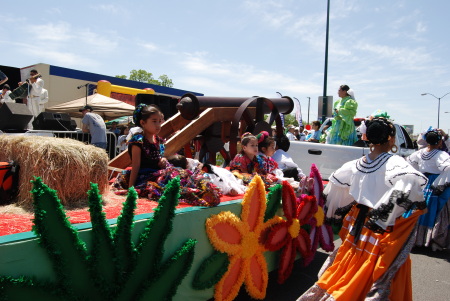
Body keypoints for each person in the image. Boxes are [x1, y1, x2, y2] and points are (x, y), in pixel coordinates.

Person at [298, 117, 428, 301]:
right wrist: (386, 215)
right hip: (381, 230)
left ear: (368, 138)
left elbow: (336, 195)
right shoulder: (396, 164)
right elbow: (410, 187)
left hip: (358, 224)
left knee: (351, 264)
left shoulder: (355, 165)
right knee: (373, 269)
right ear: (391, 139)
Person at [406, 129, 450, 250]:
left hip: (422, 183)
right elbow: (448, 167)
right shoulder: (441, 155)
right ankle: (431, 241)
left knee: (417, 208)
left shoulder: (419, 153)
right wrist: (441, 181)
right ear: (440, 142)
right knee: (435, 211)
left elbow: (409, 163)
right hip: (435, 185)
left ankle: (414, 238)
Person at [127, 104, 167, 188]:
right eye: (154, 121)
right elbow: (136, 166)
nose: (158, 125)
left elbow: (160, 156)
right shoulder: (138, 142)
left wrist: (163, 160)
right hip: (145, 178)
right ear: (143, 122)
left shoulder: (158, 140)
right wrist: (131, 188)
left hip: (159, 174)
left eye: (159, 121)